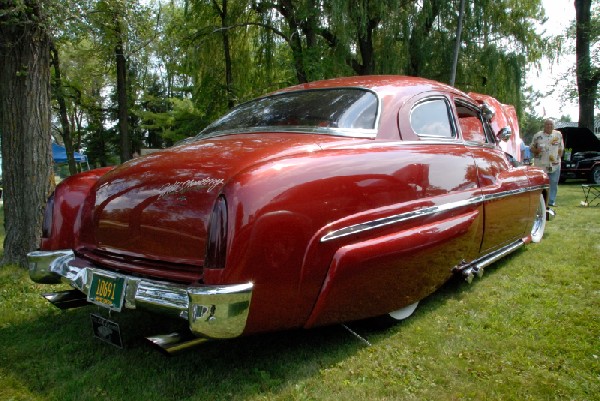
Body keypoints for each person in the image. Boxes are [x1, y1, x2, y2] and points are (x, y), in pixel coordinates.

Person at [530, 119, 564, 206]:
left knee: (553, 182)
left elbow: (561, 148)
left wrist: (558, 158)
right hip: (541, 164)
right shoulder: (538, 135)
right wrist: (536, 150)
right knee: (541, 183)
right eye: (547, 124)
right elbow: (531, 148)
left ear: (553, 126)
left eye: (551, 124)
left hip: (554, 164)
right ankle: (540, 201)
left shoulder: (558, 135)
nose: (549, 126)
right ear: (544, 126)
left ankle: (551, 201)